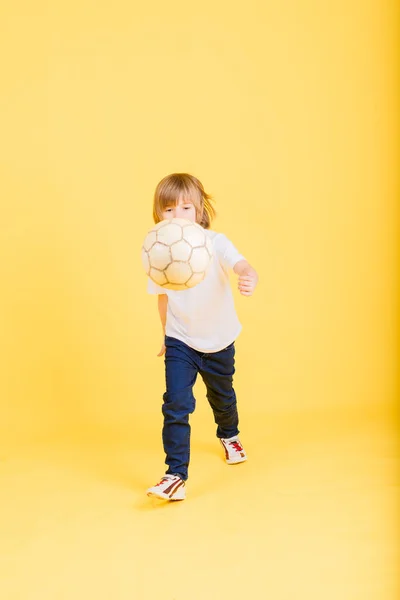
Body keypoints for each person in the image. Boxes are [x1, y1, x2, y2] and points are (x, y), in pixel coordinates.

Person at [145, 173, 258, 500]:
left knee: (222, 396)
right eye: (167, 209)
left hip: (218, 340)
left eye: (185, 207)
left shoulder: (215, 242)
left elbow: (240, 264)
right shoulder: (158, 251)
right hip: (181, 341)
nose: (176, 216)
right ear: (158, 215)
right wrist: (167, 336)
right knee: (176, 404)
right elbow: (162, 298)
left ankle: (229, 434)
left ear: (199, 212)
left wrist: (249, 275)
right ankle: (175, 474)